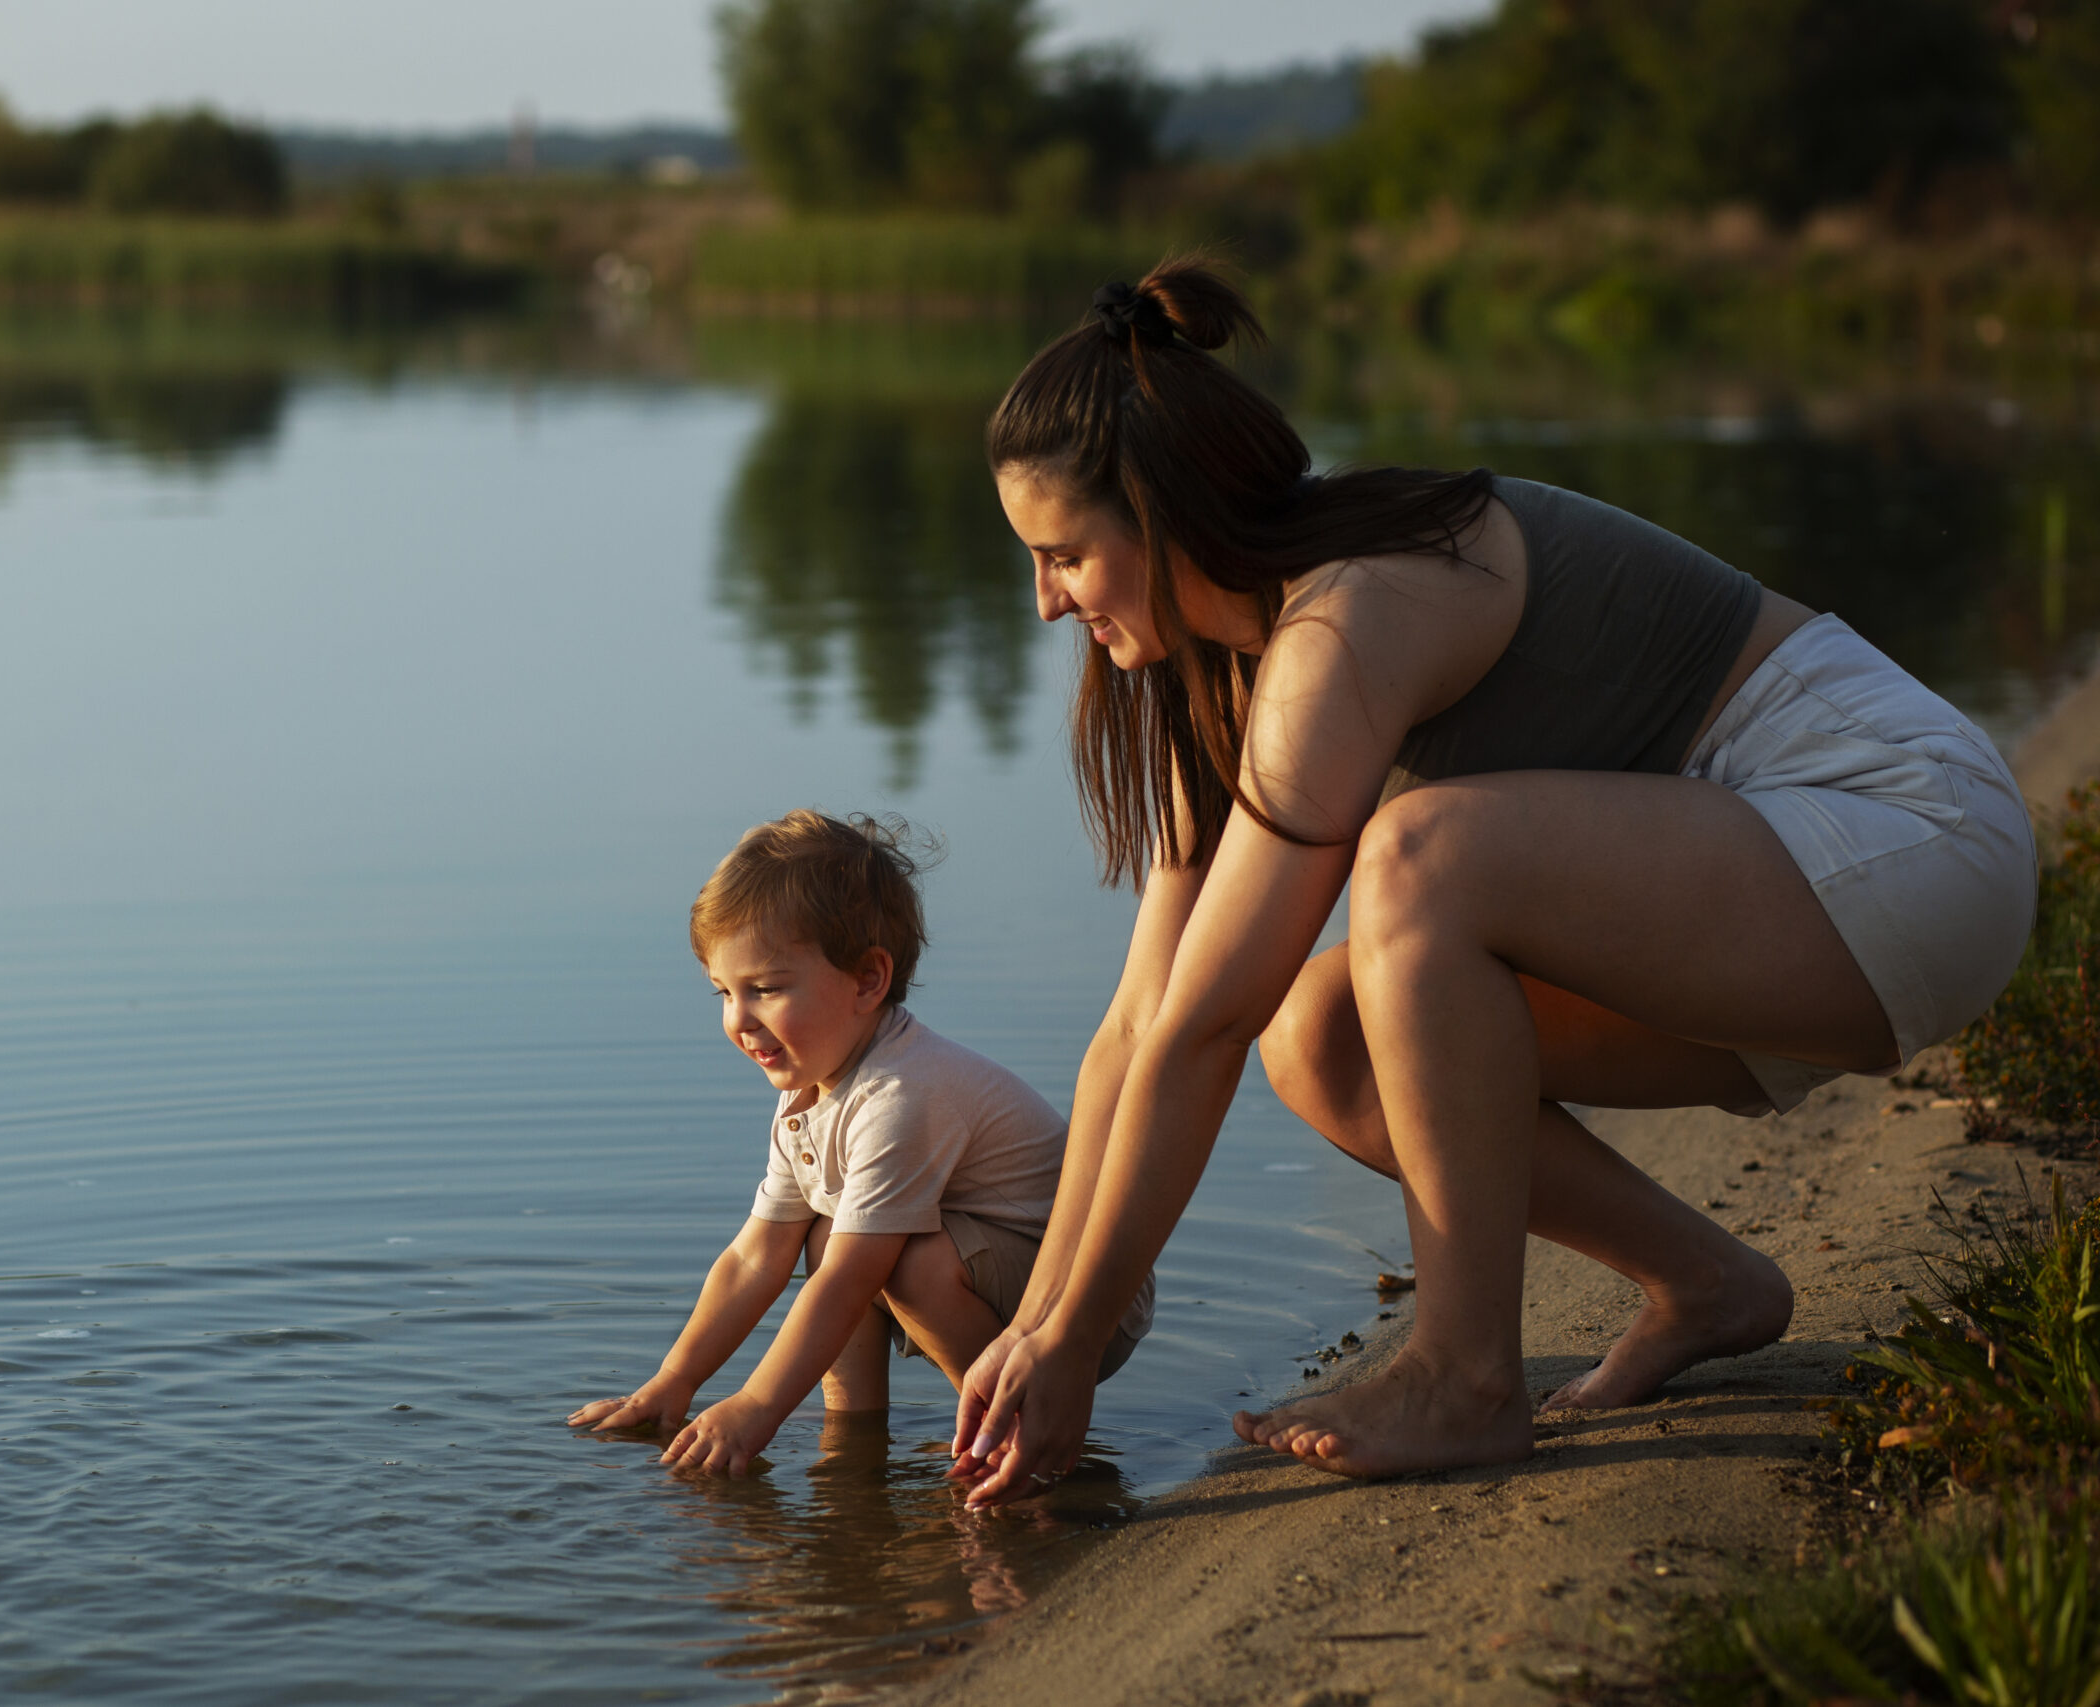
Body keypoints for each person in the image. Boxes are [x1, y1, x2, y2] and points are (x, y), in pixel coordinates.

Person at [946, 259, 2037, 1502]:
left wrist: (1081, 1343)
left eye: (1063, 556)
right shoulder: (1222, 675)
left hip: (1904, 836)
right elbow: (1144, 1021)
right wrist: (1035, 1331)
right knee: (1321, 1033)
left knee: (1420, 859)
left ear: (1157, 515)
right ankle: (1705, 1283)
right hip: (1755, 907)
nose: (1042, 602)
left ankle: (1462, 1379)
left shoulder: (1350, 617)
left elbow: (1200, 1030)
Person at [569, 809, 1153, 1475]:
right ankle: (851, 1446)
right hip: (998, 1273)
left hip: (1086, 1305)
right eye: (724, 992)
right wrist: (674, 1381)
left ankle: (1013, 1429)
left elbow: (853, 1279)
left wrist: (758, 1404)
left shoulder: (901, 1096)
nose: (739, 1019)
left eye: (765, 988)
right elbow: (755, 1258)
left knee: (891, 1260)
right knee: (823, 1237)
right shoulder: (808, 1096)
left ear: (869, 980)